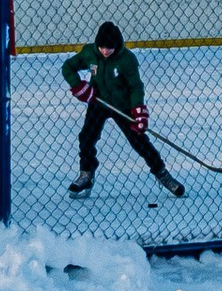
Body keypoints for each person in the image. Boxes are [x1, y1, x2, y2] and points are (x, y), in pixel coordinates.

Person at [61, 20, 186, 200]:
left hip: (123, 106)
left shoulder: (127, 59)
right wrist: (80, 87)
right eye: (102, 47)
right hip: (98, 102)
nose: (105, 51)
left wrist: (138, 110)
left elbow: (136, 86)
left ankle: (163, 174)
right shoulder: (90, 53)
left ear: (117, 45)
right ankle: (86, 174)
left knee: (139, 141)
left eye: (109, 48)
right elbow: (68, 67)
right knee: (87, 137)